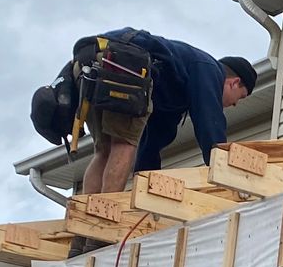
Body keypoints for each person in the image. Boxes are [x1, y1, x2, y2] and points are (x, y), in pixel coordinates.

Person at [79, 30, 256, 199]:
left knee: (104, 150)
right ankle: (104, 209)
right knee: (124, 144)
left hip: (93, 62)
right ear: (234, 83)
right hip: (124, 63)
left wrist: (146, 186)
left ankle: (84, 212)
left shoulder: (174, 88)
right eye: (239, 98)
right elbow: (209, 123)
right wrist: (224, 172)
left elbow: (153, 142)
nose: (233, 105)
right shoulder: (209, 70)